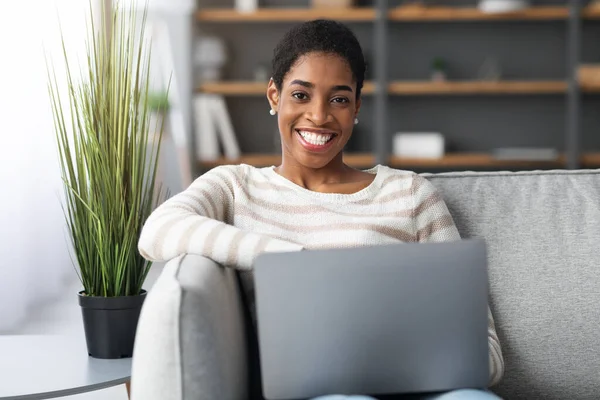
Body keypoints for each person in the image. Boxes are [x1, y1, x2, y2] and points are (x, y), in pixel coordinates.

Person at [138, 19, 504, 400]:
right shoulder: (235, 186)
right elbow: (158, 230)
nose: (319, 115)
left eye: (339, 99)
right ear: (273, 96)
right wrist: (292, 260)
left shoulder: (410, 193)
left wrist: (403, 353)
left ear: (356, 107)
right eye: (301, 95)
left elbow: (488, 353)